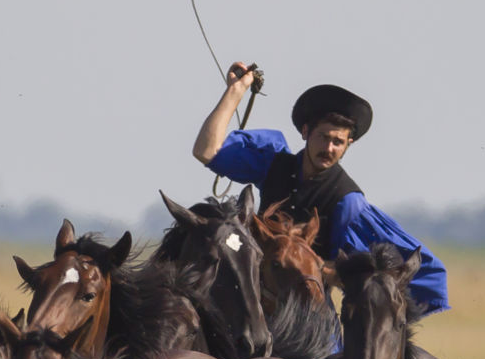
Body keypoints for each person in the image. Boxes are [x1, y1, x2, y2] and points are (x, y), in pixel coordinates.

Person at [192, 62, 449, 314]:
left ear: (349, 144)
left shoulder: (347, 202)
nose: (329, 149)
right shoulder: (273, 161)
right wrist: (235, 91)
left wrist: (310, 266)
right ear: (305, 132)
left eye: (338, 142)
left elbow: (358, 273)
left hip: (308, 316)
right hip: (253, 301)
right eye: (323, 137)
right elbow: (206, 150)